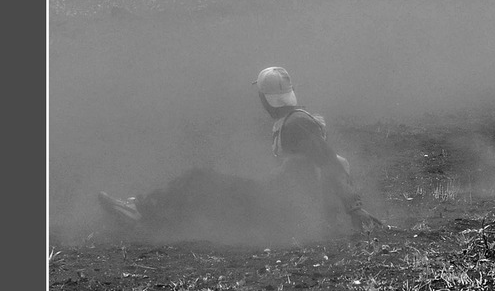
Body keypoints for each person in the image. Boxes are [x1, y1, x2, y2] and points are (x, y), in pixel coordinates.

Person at [99, 67, 383, 239]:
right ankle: (150, 220)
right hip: (285, 204)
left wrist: (354, 210)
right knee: (210, 194)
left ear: (264, 98)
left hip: (279, 207)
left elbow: (330, 162)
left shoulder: (295, 125)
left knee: (198, 180)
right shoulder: (295, 120)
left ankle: (140, 212)